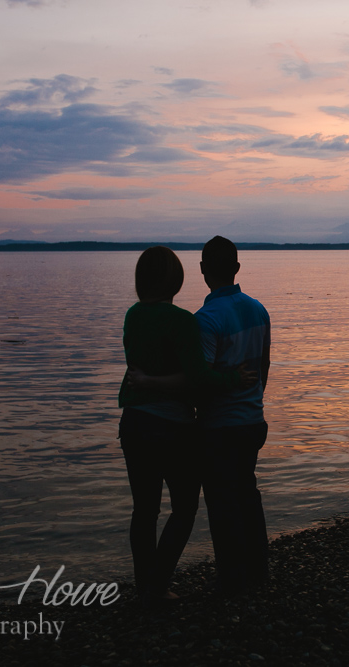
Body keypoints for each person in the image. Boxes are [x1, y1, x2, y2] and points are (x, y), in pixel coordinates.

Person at [117, 246, 246, 608]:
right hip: (171, 427)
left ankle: (145, 586)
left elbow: (142, 370)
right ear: (176, 279)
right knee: (185, 507)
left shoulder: (132, 316)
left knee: (144, 510)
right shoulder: (183, 321)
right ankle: (157, 585)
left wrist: (148, 381)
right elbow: (199, 380)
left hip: (134, 423)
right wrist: (234, 378)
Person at [195, 236, 272, 595]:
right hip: (253, 420)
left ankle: (231, 577)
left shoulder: (206, 319)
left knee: (222, 501)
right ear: (237, 268)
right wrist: (254, 398)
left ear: (203, 271)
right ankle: (258, 568)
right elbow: (265, 365)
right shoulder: (259, 309)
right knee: (247, 493)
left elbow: (202, 381)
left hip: (220, 425)